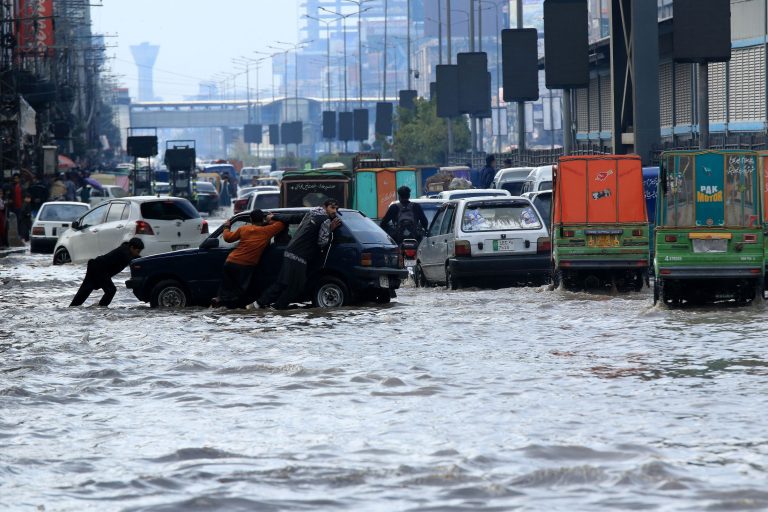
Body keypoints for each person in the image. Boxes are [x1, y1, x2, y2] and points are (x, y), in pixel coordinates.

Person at [258, 199, 341, 309]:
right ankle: (277, 308)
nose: (335, 211)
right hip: (299, 256)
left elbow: (291, 218)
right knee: (297, 286)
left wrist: (274, 217)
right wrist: (330, 230)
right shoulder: (326, 220)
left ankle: (259, 304)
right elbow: (322, 242)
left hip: (290, 251)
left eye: (336, 209)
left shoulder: (311, 213)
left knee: (283, 282)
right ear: (325, 207)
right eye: (332, 207)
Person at [213, 209, 286, 309]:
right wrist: (271, 218)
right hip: (245, 265)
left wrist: (226, 227)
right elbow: (281, 224)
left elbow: (228, 238)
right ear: (263, 219)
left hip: (230, 262)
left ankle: (220, 304)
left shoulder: (244, 229)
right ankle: (233, 309)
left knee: (227, 290)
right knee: (240, 292)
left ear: (251, 219)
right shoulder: (267, 230)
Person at [70, 238, 144, 307]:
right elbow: (133, 260)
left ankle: (72, 309)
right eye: (137, 251)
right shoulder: (124, 252)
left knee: (83, 293)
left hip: (96, 267)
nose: (138, 254)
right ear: (131, 247)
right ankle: (101, 309)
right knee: (111, 290)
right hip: (98, 269)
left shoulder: (126, 250)